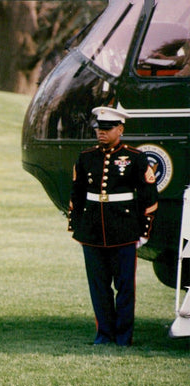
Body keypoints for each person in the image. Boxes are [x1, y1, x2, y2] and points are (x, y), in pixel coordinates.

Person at [68, 105, 158, 346]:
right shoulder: (86, 157)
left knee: (125, 287)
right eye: (99, 128)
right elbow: (77, 195)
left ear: (120, 129)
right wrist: (76, 227)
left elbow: (149, 196)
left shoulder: (136, 158)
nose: (101, 133)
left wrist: (144, 231)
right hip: (93, 231)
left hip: (125, 230)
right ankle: (104, 334)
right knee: (99, 286)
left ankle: (123, 336)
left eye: (107, 129)